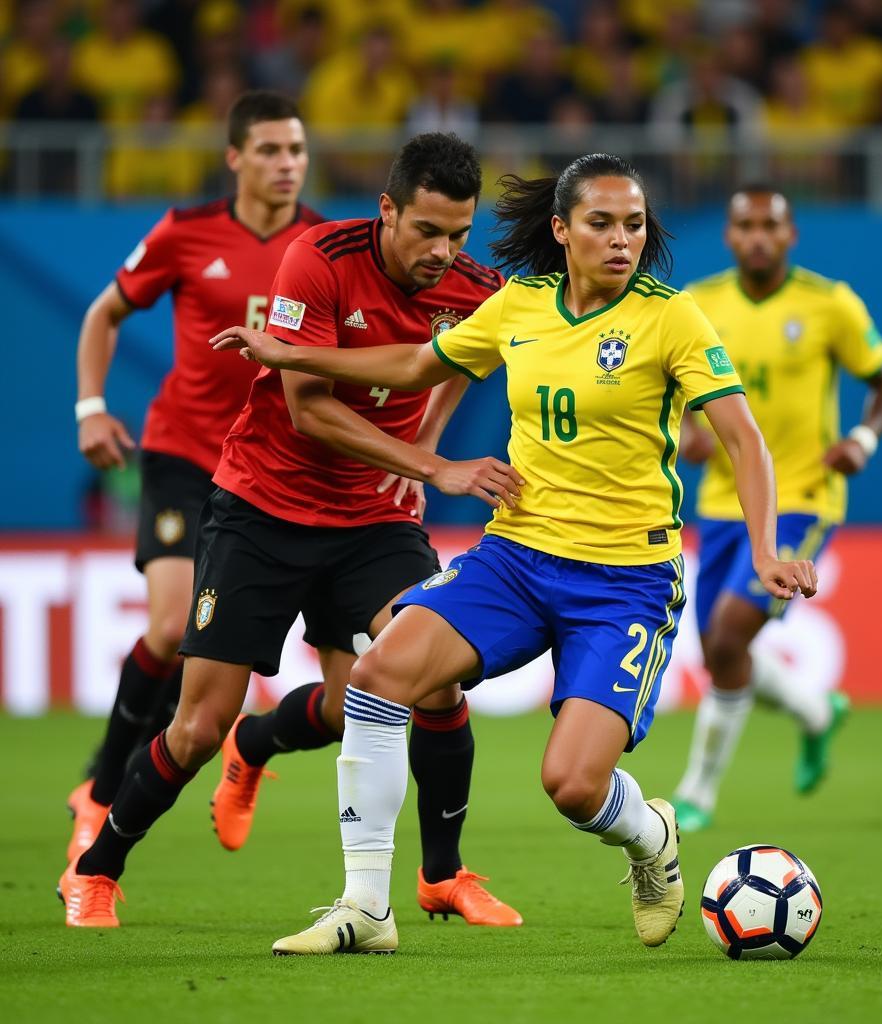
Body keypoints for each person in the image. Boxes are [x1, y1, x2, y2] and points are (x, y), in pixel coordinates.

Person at [210, 153, 818, 955]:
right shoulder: (519, 305)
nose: (621, 239)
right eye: (601, 223)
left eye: (633, 224)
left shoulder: (670, 317)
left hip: (624, 580)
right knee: (379, 674)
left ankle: (651, 839)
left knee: (571, 786)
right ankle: (366, 908)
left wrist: (767, 548)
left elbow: (744, 439)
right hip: (518, 557)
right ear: (562, 230)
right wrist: (296, 355)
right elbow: (417, 365)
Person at [59, 132, 525, 932]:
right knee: (198, 725)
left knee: (431, 682)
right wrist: (428, 467)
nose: (444, 252)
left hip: (373, 522)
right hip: (263, 509)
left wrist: (421, 456)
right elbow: (308, 406)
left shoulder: (478, 289)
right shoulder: (318, 257)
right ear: (387, 210)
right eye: (427, 232)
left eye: (459, 233)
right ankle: (96, 871)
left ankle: (440, 874)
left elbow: (453, 367)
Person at [68, 89, 321, 864]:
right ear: (236, 157)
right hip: (185, 453)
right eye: (272, 151)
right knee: (172, 626)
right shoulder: (186, 232)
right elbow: (105, 312)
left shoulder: (324, 245)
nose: (287, 165)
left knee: (237, 675)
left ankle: (231, 752)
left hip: (274, 474)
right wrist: (89, 407)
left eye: (297, 151)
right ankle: (102, 788)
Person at [670, 186, 882, 832]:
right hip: (722, 504)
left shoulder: (829, 304)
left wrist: (863, 438)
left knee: (728, 633)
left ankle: (699, 790)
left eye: (770, 225)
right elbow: (676, 391)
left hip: (803, 499)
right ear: (728, 235)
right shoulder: (698, 304)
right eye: (745, 225)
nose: (757, 237)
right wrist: (687, 429)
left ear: (791, 234)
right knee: (722, 652)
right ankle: (816, 710)